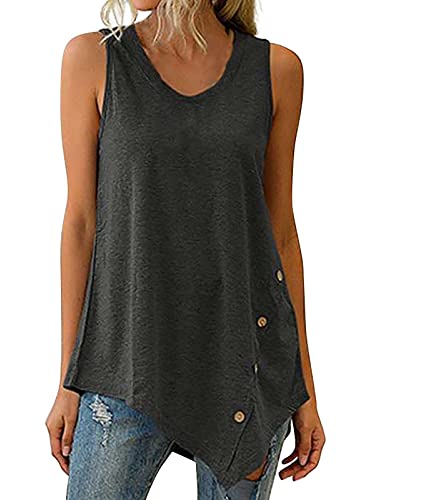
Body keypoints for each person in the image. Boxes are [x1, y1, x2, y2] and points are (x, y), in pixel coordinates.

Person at [45, 1, 326, 498]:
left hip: (244, 370)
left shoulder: (277, 70)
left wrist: (304, 388)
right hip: (124, 365)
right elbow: (81, 225)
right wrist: (69, 380)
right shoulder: (94, 59)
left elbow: (280, 233)